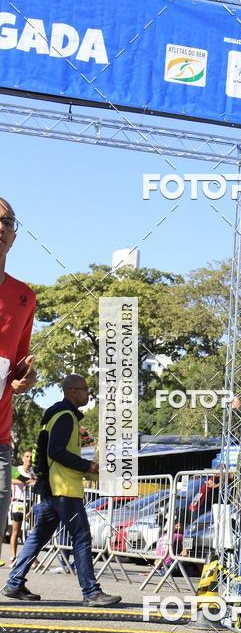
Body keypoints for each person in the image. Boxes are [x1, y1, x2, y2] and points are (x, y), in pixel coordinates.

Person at [0, 375, 121, 605]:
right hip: (64, 489)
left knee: (38, 537)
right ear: (72, 392)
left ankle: (15, 583)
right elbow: (56, 451)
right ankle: (91, 592)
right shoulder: (65, 416)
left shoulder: (56, 415)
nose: (88, 393)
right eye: (85, 389)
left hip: (52, 488)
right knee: (82, 537)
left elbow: (49, 452)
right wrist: (89, 466)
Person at [0, 198, 37, 568]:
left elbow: (18, 366)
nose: (0, 227)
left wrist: (27, 377)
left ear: (13, 235)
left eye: (7, 221)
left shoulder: (25, 297)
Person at [8, 449, 36, 567]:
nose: (29, 459)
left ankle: (32, 558)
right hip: (18, 503)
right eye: (27, 457)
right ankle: (13, 557)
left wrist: (33, 481)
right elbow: (10, 480)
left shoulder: (33, 472)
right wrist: (22, 481)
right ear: (23, 458)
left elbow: (36, 482)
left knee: (33, 533)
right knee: (16, 532)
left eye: (30, 457)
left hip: (30, 504)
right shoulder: (17, 470)